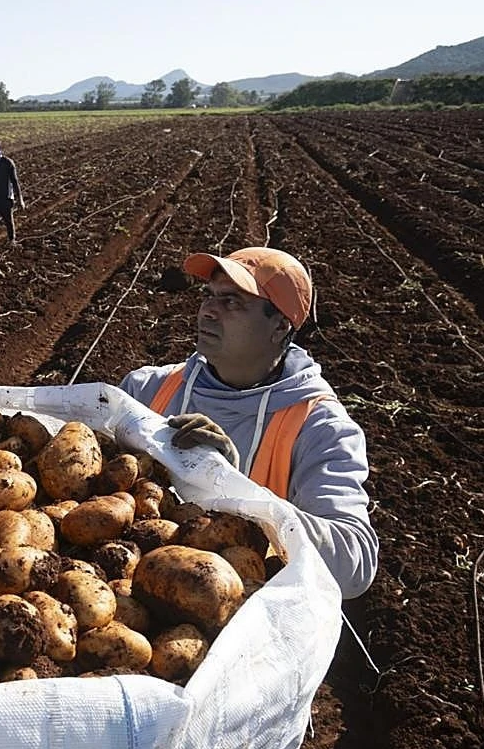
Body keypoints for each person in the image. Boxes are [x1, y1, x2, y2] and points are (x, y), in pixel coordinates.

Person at [119, 246, 378, 598]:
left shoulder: (319, 428)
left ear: (279, 326)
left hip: (242, 611)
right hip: (130, 587)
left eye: (231, 302)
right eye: (209, 295)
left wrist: (233, 488)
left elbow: (353, 565)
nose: (208, 310)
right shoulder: (146, 389)